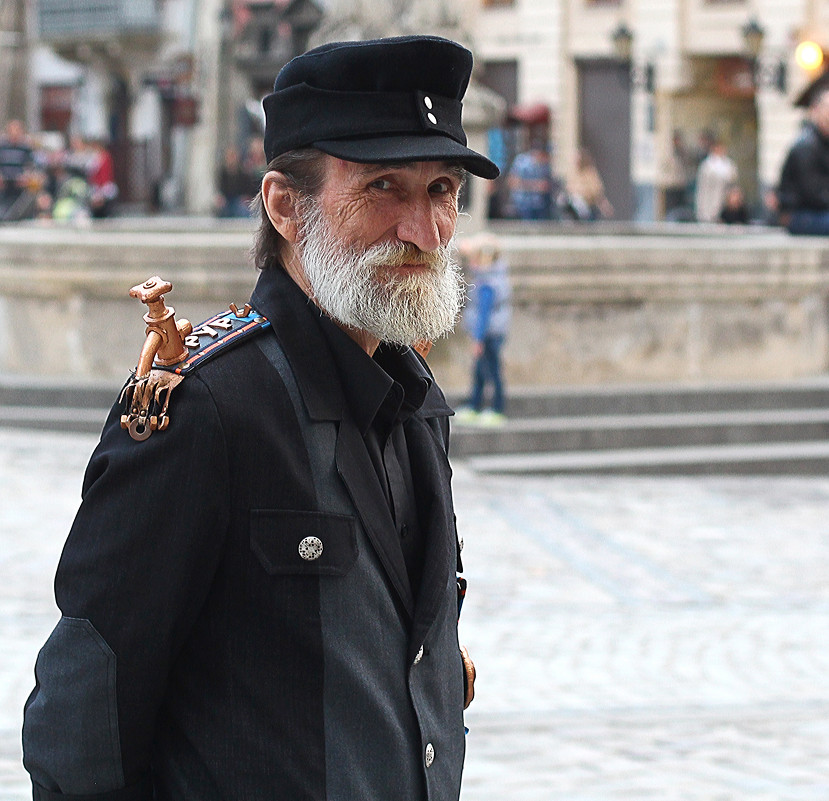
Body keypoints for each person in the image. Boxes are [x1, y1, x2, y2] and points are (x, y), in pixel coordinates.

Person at [22, 35, 497, 801]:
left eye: (440, 188)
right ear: (283, 205)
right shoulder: (206, 409)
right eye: (383, 187)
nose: (425, 230)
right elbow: (83, 720)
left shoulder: (411, 402)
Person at [456, 233, 511, 425]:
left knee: (490, 371)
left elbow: (484, 315)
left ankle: (495, 408)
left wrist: (478, 339)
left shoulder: (488, 282)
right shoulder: (493, 277)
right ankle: (475, 405)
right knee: (481, 371)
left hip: (487, 335)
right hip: (492, 333)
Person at [777, 88, 829, 235]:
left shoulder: (822, 143)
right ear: (816, 111)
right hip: (800, 215)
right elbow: (813, 193)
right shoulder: (806, 146)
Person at [507, 144, 556, 219]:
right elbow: (512, 182)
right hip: (523, 205)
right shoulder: (522, 162)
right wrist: (535, 186)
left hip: (540, 206)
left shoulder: (545, 167)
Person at [694, 139, 737, 223]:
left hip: (723, 197)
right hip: (709, 197)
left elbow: (732, 176)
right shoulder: (707, 164)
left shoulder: (727, 163)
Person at [565, 148, 613, 221]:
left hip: (588, 206)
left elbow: (596, 192)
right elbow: (569, 188)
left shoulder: (590, 173)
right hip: (573, 205)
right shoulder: (574, 174)